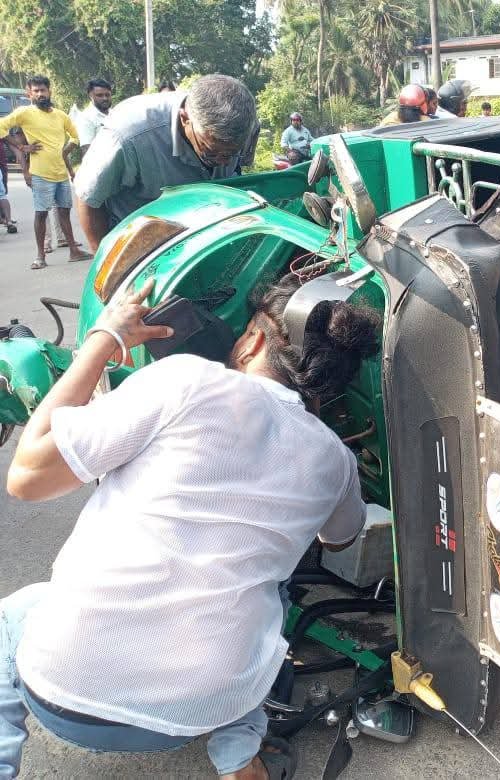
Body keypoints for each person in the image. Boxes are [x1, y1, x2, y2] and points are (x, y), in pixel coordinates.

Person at [2, 273, 380, 779]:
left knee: (13, 616)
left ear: (251, 341)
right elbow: (339, 538)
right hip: (197, 712)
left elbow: (27, 476)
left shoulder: (185, 380)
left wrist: (103, 338)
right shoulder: (336, 461)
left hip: (61, 693)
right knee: (269, 601)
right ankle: (239, 758)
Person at [75, 74, 257, 250]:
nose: (224, 162)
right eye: (211, 152)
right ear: (185, 119)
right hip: (139, 246)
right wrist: (107, 261)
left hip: (204, 239)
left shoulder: (247, 126)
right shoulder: (128, 136)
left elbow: (239, 177)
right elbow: (88, 198)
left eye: (233, 153)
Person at [0, 75, 91, 270]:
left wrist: (65, 151)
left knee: (64, 212)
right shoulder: (24, 113)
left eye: (43, 90)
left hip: (61, 174)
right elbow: (2, 127)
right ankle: (40, 256)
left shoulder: (60, 115)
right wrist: (21, 147)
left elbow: (76, 136)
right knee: (41, 214)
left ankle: (74, 251)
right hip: (41, 174)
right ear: (29, 94)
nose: (40, 94)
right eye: (36, 91)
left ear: (50, 91)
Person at [73, 78, 114, 155]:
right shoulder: (86, 118)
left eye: (107, 95)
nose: (105, 98)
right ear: (90, 96)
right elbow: (86, 151)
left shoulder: (115, 113)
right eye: (100, 95)